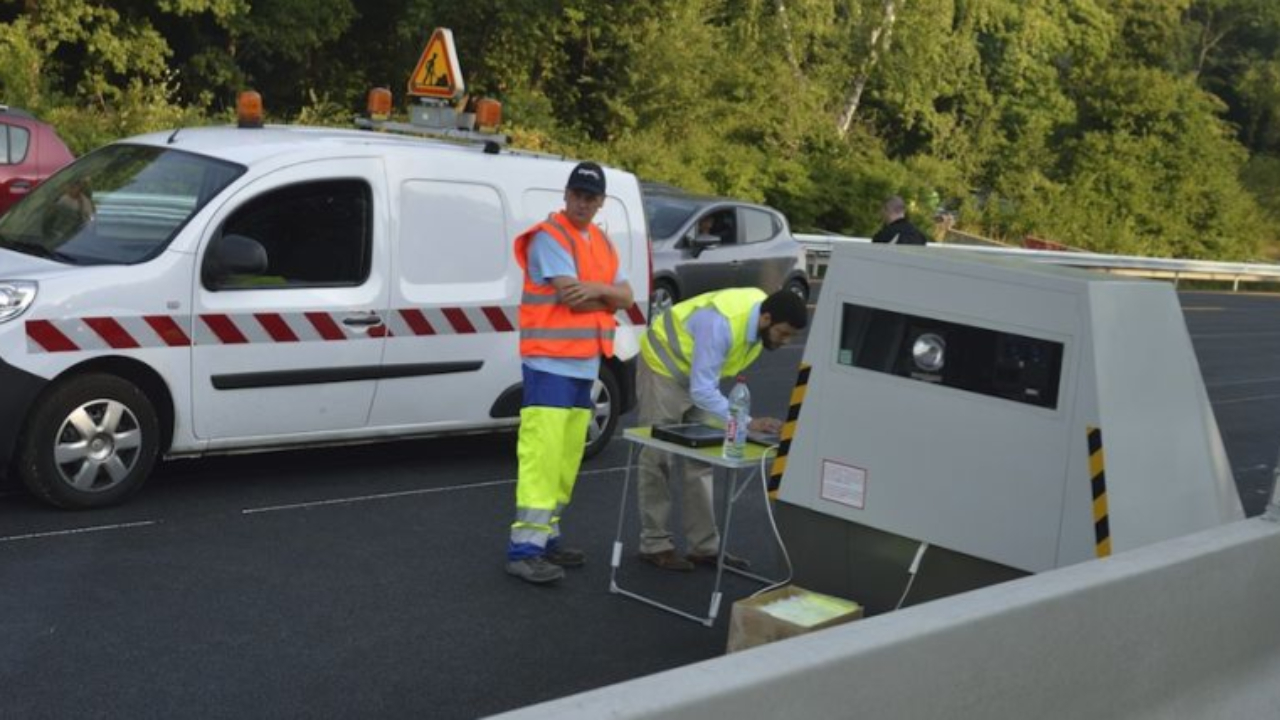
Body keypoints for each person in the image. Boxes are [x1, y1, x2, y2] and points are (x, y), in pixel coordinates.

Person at [506, 161, 634, 585]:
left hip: (584, 365)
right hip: (549, 363)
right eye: (577, 194)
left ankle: (547, 539)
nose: (582, 201)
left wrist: (599, 291)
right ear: (565, 195)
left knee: (565, 460)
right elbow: (574, 300)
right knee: (543, 457)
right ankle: (524, 550)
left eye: (590, 196)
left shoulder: (601, 241)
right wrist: (607, 296)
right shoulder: (550, 237)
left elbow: (626, 296)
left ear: (600, 202)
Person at [636, 287, 808, 571]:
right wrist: (747, 421)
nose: (785, 341)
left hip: (699, 376)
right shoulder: (721, 323)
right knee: (657, 458)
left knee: (702, 459)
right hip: (663, 366)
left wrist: (739, 418)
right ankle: (655, 544)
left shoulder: (761, 316)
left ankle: (703, 548)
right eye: (783, 333)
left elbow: (704, 385)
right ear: (766, 318)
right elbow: (702, 389)